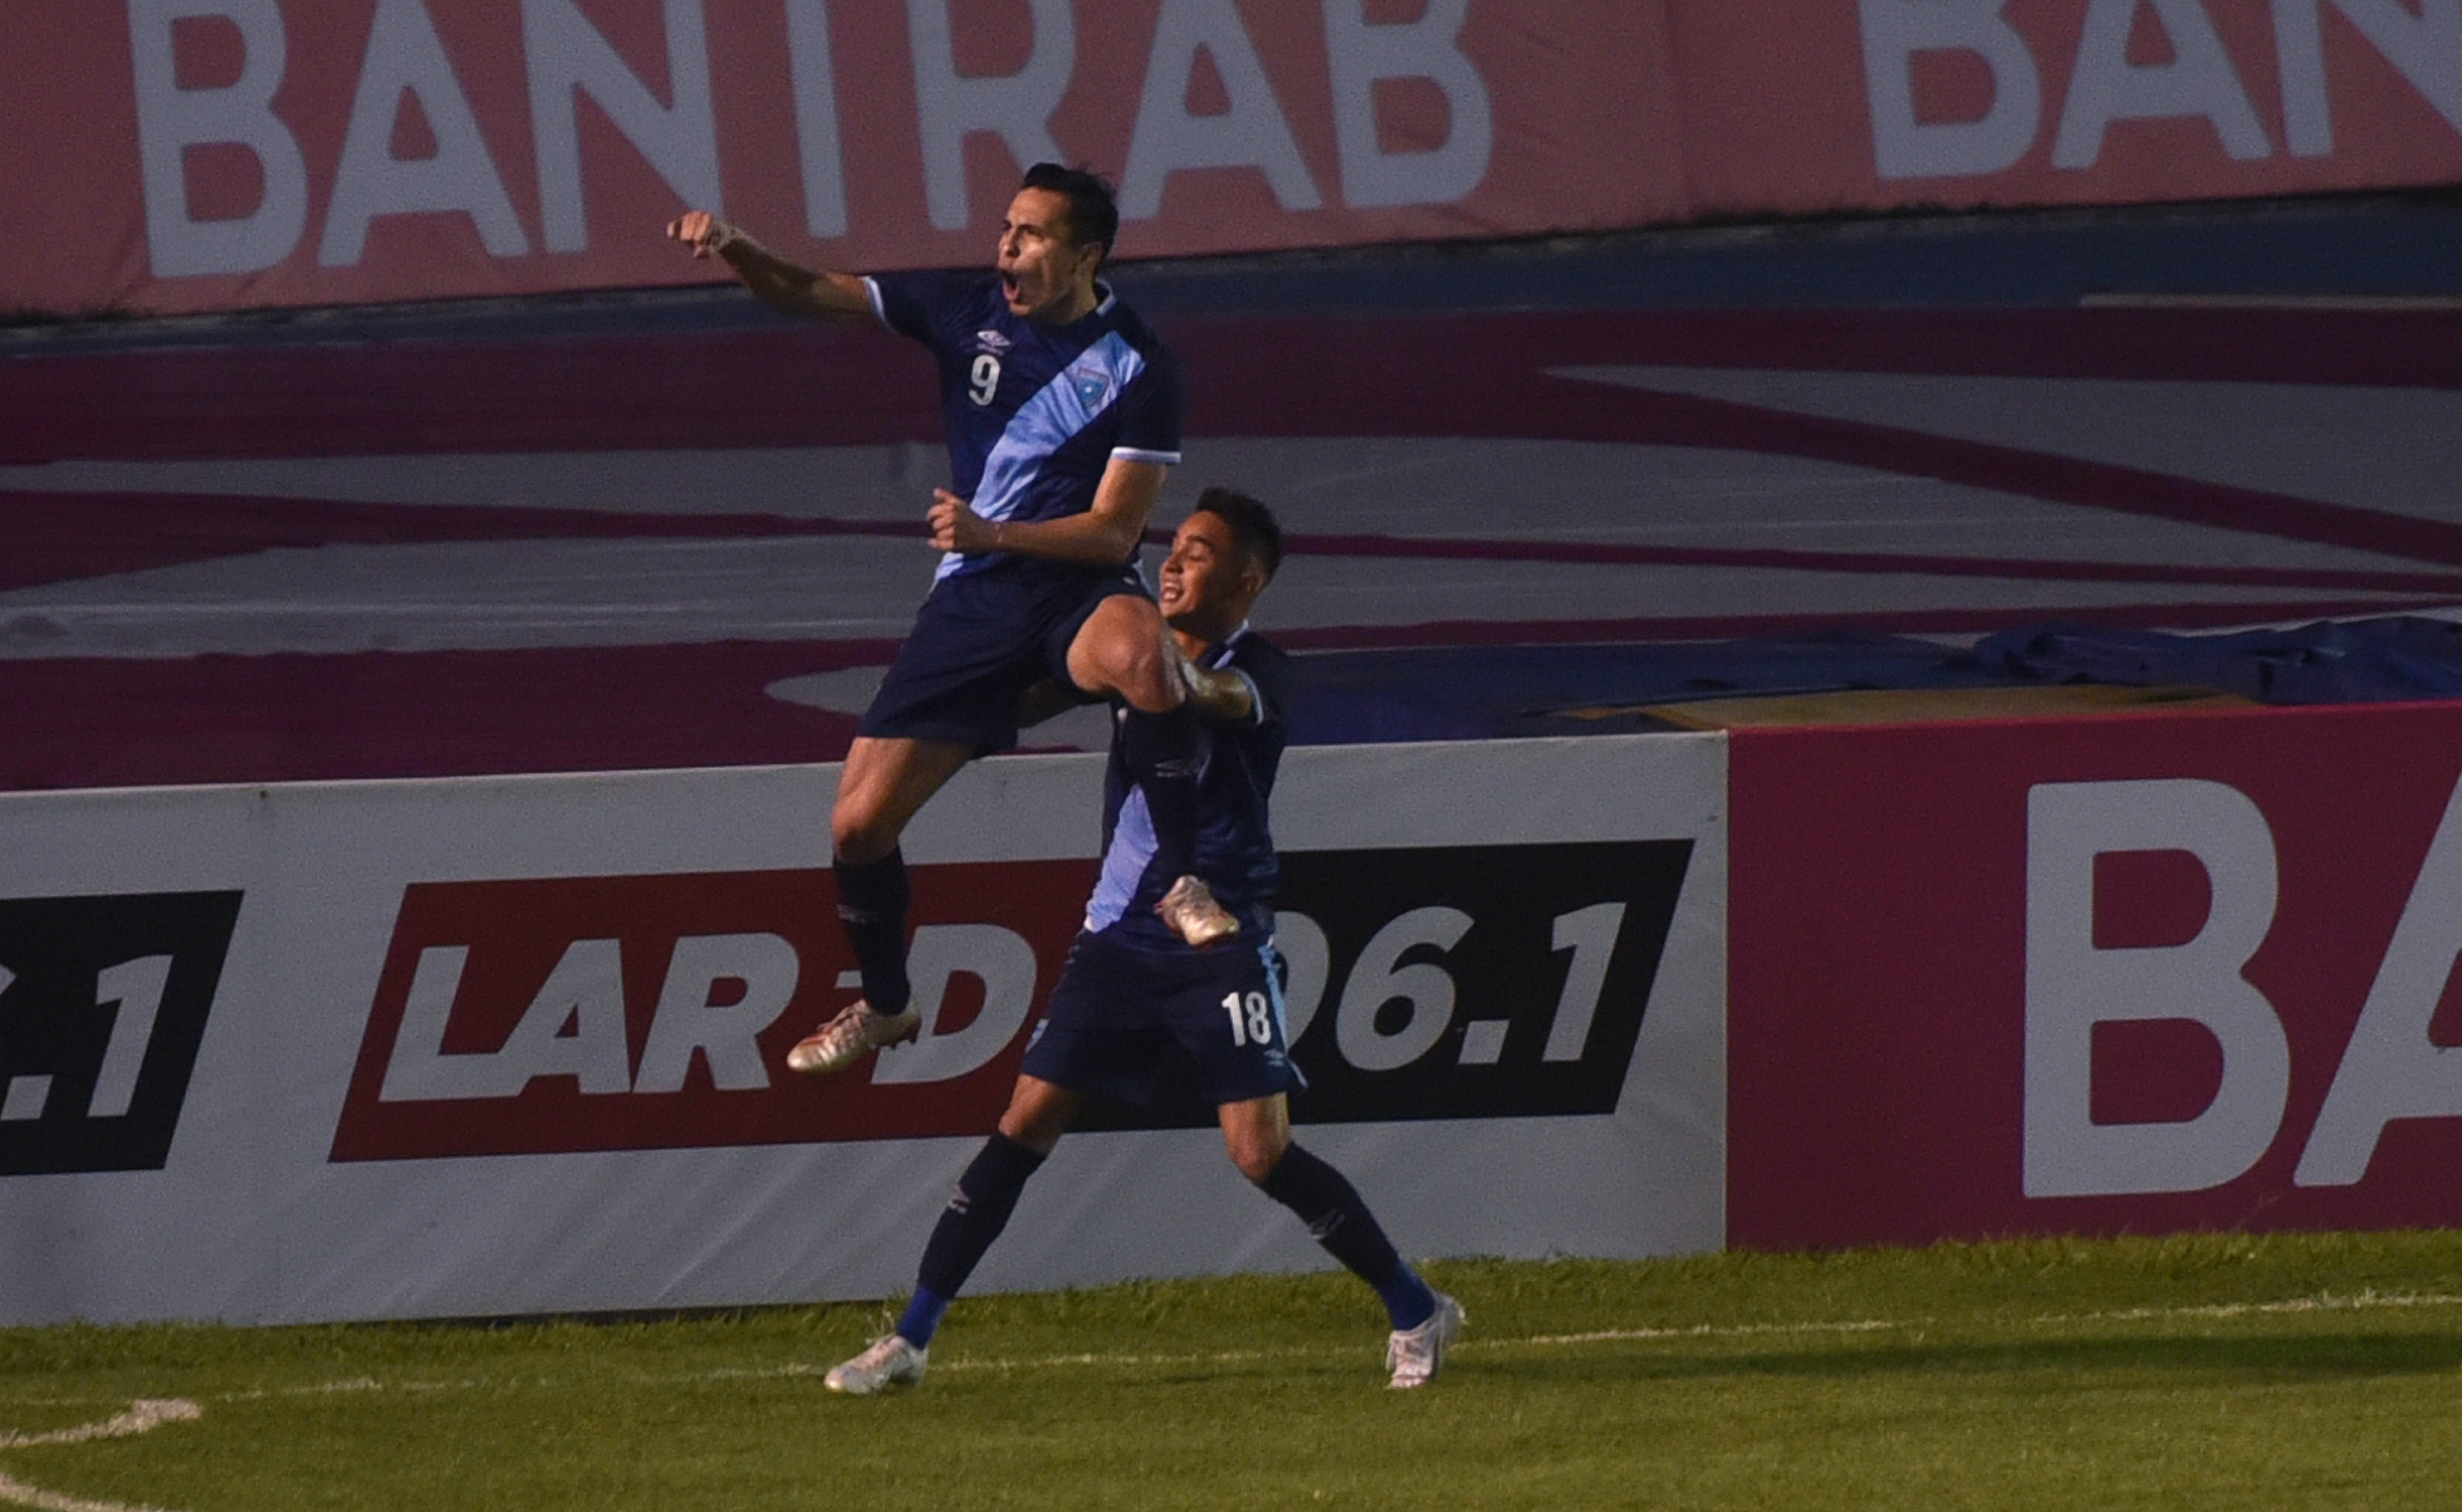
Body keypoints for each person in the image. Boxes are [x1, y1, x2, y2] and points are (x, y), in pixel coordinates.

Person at [820, 489, 1464, 1395]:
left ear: (1245, 580)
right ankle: (911, 1340)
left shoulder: (1261, 672)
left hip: (1218, 940)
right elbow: (1014, 699)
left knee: (1259, 1154)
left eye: (1197, 553)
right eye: (1174, 545)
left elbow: (1208, 693)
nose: (1171, 561)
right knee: (1020, 1128)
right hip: (1117, 937)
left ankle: (1415, 1308)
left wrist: (1139, 661)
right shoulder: (1132, 659)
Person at [666, 165, 1232, 1080]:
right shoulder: (968, 308)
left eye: (1034, 235)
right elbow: (810, 291)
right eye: (1007, 227)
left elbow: (1115, 531)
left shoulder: (1138, 362)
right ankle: (888, 1006)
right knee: (856, 829)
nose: (1008, 246)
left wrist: (992, 527)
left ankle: (1177, 877)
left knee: (1144, 655)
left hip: (1072, 581)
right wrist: (738, 249)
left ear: (1085, 255)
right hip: (973, 600)